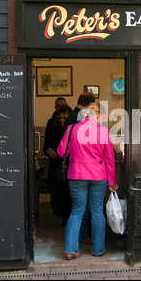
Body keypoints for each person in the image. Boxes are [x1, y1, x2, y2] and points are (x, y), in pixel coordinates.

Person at [57, 102, 118, 260]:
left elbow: (61, 151)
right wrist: (112, 182)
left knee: (77, 211)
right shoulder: (103, 132)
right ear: (97, 116)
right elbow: (110, 159)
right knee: (97, 211)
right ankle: (98, 249)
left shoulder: (71, 129)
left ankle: (71, 249)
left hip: (76, 174)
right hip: (98, 176)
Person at [64, 92, 96, 243]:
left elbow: (62, 149)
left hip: (74, 170)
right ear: (88, 105)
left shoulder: (71, 116)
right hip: (90, 171)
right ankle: (87, 236)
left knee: (76, 209)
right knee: (89, 209)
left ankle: (72, 245)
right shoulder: (81, 118)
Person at [43, 105, 72, 219]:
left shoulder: (72, 130)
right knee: (58, 191)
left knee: (67, 193)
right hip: (56, 166)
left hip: (67, 165)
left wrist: (58, 154)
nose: (62, 120)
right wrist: (48, 150)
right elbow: (46, 146)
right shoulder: (53, 129)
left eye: (64, 118)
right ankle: (59, 211)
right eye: (60, 118)